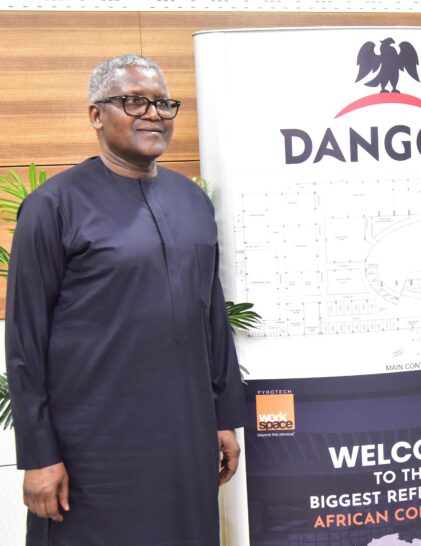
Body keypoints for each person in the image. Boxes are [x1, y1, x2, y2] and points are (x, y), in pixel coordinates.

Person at [5, 54, 246, 546]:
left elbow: (212, 316)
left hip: (184, 437)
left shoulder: (192, 200)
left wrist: (224, 418)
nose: (153, 114)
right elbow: (25, 342)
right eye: (134, 101)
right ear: (97, 114)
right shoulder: (53, 206)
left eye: (163, 103)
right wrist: (38, 454)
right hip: (91, 451)